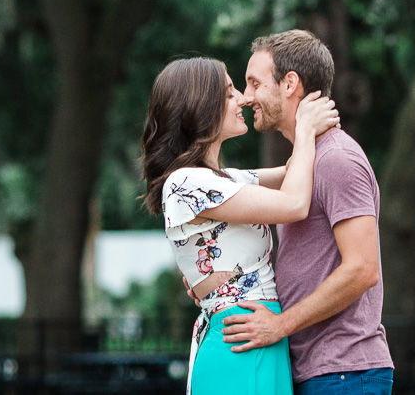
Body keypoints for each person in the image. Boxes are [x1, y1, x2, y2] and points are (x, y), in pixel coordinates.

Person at [141, 56, 340, 395]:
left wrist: (303, 122)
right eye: (230, 92)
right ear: (201, 106)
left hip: (257, 335)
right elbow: (294, 203)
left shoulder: (224, 180)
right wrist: (305, 129)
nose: (244, 99)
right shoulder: (186, 183)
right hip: (240, 341)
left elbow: (295, 172)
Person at [221, 30, 394, 395]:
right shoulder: (306, 162)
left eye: (254, 83)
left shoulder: (337, 160)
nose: (247, 96)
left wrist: (280, 325)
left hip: (345, 374)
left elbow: (363, 269)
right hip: (319, 372)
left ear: (290, 84)